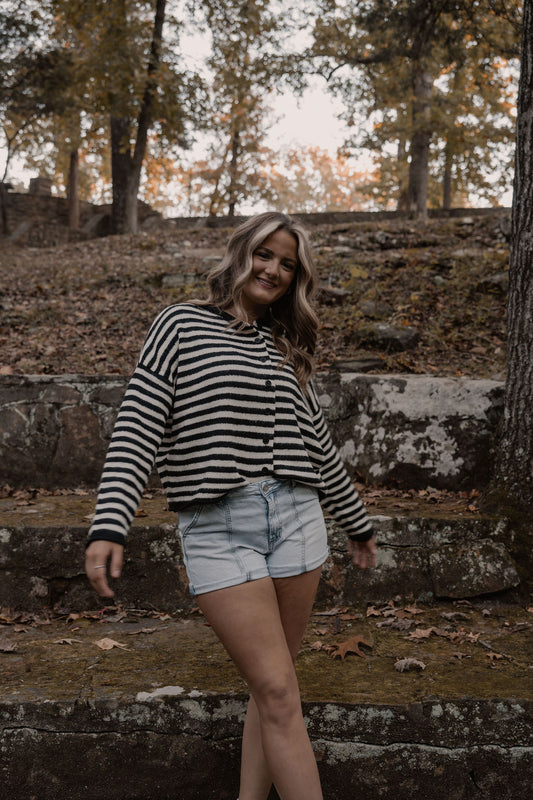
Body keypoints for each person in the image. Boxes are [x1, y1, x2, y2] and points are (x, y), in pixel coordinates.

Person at [85, 211, 377, 800]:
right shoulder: (180, 324)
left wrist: (356, 521)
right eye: (264, 254)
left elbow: (317, 442)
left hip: (297, 522)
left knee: (274, 690)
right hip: (218, 527)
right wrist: (110, 522)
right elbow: (139, 422)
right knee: (277, 689)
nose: (273, 269)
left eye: (288, 264)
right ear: (241, 253)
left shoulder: (285, 345)